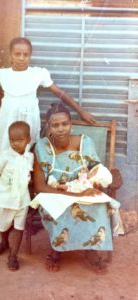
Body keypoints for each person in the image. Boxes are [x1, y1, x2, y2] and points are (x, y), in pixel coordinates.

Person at [33, 103, 120, 274]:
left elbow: (96, 171)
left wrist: (92, 184)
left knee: (98, 207)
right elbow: (39, 185)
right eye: (55, 125)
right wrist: (72, 194)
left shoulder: (85, 143)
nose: (61, 129)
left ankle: (91, 250)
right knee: (63, 208)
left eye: (65, 124)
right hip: (55, 194)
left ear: (71, 123)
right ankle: (57, 250)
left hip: (83, 189)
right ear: (48, 126)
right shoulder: (42, 147)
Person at [0, 37, 97, 164]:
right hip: (8, 120)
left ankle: (28, 180)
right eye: (17, 54)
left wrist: (81, 111)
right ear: (11, 54)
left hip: (29, 120)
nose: (21, 58)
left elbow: (59, 93)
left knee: (29, 152)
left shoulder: (37, 74)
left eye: (25, 55)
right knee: (5, 149)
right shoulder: (2, 74)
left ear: (30, 55)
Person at [0, 121, 34, 271]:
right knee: (2, 224)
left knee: (19, 227)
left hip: (22, 199)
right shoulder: (4, 156)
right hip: (5, 197)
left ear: (28, 139)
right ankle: (4, 242)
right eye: (12, 140)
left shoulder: (30, 157)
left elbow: (29, 176)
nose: (15, 143)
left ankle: (13, 256)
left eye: (19, 140)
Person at [48, 163, 113, 193]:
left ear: (97, 181)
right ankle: (56, 184)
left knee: (64, 186)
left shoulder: (89, 187)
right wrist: (83, 172)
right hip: (72, 184)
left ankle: (55, 186)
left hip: (72, 189)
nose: (90, 172)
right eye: (92, 171)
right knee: (65, 182)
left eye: (93, 174)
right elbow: (82, 179)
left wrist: (72, 187)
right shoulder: (87, 181)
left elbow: (81, 187)